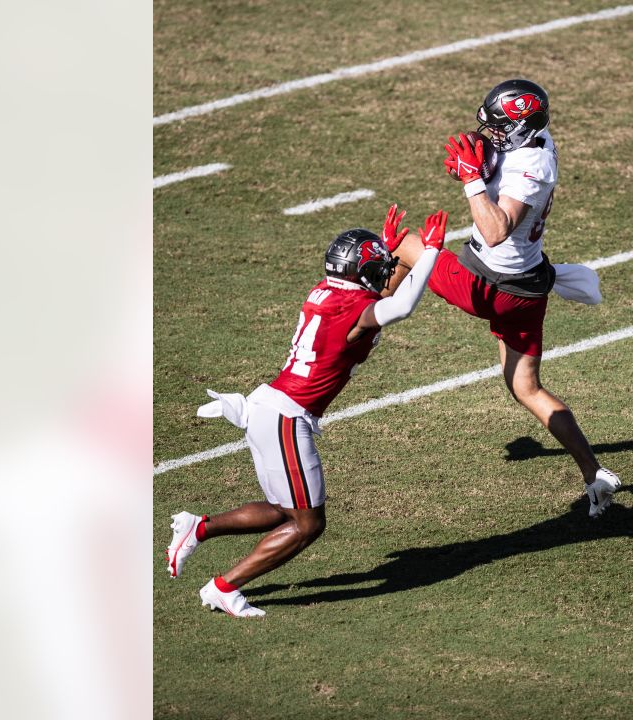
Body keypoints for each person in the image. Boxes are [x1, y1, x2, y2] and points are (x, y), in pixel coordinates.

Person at [166, 208, 449, 617]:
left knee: (286, 512)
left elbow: (380, 298)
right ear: (360, 271)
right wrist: (431, 253)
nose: (383, 273)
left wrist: (392, 254)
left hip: (273, 407)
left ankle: (200, 527)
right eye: (377, 267)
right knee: (307, 524)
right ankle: (223, 587)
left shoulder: (330, 292)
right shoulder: (352, 307)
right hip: (287, 417)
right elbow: (397, 306)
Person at [387, 78, 621, 517]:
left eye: (498, 126)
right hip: (528, 288)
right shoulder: (535, 137)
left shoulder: (530, 169)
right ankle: (595, 476)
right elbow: (493, 150)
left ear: (519, 128)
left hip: (489, 284)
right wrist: (477, 160)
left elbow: (495, 232)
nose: (490, 132)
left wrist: (472, 180)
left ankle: (368, 325)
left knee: (400, 243)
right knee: (526, 387)